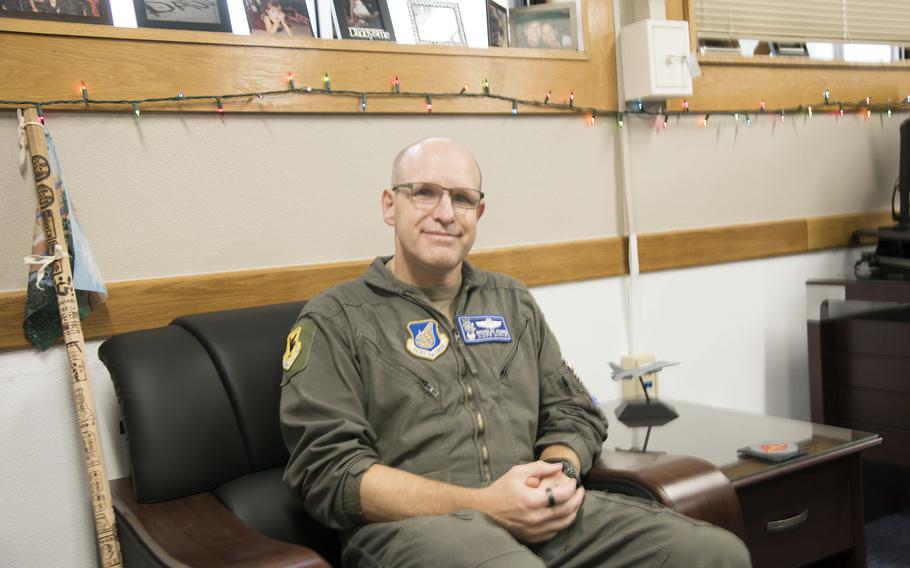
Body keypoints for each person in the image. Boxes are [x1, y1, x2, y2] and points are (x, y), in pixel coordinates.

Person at [280, 137, 751, 567]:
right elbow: (329, 472)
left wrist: (560, 473)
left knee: (713, 554)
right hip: (413, 535)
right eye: (425, 192)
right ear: (390, 205)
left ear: (478, 215)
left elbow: (574, 410)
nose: (446, 212)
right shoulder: (336, 319)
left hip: (544, 520)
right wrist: (484, 505)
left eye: (462, 198)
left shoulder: (510, 303)